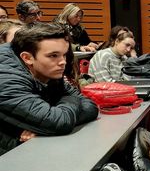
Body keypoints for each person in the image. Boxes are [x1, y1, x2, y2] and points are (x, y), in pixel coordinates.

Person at [0, 23, 98, 154]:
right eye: (53, 55)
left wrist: (45, 125)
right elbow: (59, 121)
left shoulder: (47, 69)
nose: (63, 61)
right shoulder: (7, 80)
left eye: (64, 54)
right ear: (27, 58)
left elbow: (91, 107)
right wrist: (66, 105)